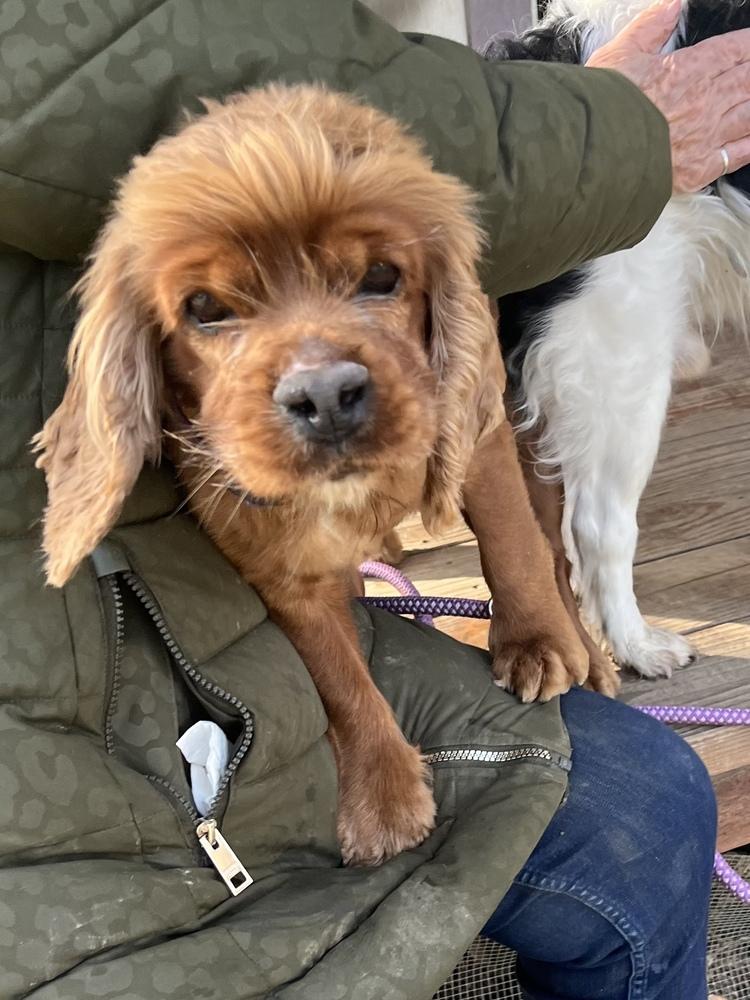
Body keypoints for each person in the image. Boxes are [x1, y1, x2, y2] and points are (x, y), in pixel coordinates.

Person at [0, 1, 744, 997]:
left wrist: (529, 602)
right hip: (110, 654)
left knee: (650, 799)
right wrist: (609, 130)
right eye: (212, 309)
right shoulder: (142, 368)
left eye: (377, 280)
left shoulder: (423, 347)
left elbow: (472, 414)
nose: (319, 378)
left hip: (172, 617)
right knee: (633, 807)